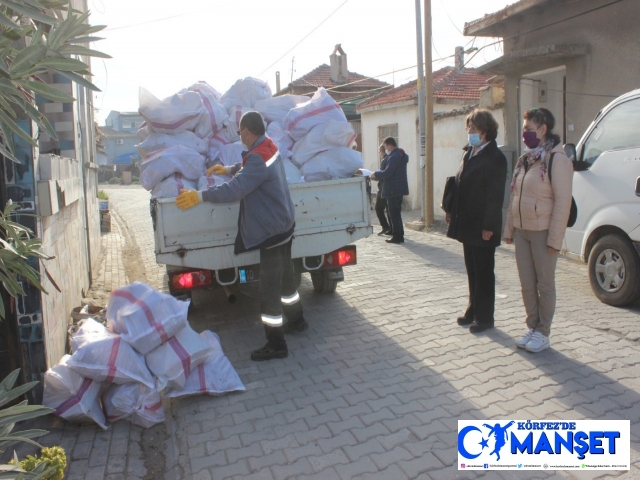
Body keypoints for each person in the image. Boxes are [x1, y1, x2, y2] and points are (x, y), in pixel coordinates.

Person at [176, 111, 307, 362]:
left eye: (239, 132)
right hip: (284, 224)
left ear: (247, 130)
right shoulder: (269, 146)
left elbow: (237, 189)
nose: (240, 137)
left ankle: (276, 344)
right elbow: (252, 168)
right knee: (287, 280)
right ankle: (298, 321)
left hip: (272, 230)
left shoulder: (258, 157)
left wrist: (200, 196)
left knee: (268, 290)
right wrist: (229, 168)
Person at [503, 108, 573, 353]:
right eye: (524, 128)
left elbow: (563, 202)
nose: (525, 134)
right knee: (526, 284)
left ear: (543, 129)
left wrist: (555, 239)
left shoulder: (557, 159)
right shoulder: (527, 159)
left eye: (528, 129)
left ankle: (543, 332)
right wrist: (510, 227)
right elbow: (515, 195)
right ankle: (532, 326)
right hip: (522, 231)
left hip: (543, 232)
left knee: (545, 284)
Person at [446, 109, 507, 333]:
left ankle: (485, 317)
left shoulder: (495, 158)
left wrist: (489, 226)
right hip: (467, 222)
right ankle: (472, 310)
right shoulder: (469, 153)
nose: (469, 131)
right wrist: (452, 209)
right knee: (471, 269)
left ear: (485, 130)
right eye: (468, 127)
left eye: (473, 128)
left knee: (484, 272)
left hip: (483, 225)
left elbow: (494, 196)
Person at [371, 137, 409, 244]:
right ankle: (399, 234)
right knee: (396, 213)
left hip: (393, 189)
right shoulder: (400, 155)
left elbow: (388, 172)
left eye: (386, 146)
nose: (385, 149)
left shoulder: (393, 156)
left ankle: (397, 237)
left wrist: (376, 174)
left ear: (390, 145)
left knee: (394, 214)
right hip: (398, 189)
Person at [374, 144, 392, 236]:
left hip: (383, 189)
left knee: (378, 208)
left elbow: (383, 174)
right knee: (388, 210)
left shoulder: (385, 160)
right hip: (386, 188)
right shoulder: (388, 159)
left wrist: (374, 175)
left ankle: (386, 227)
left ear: (382, 151)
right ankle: (390, 228)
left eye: (380, 151)